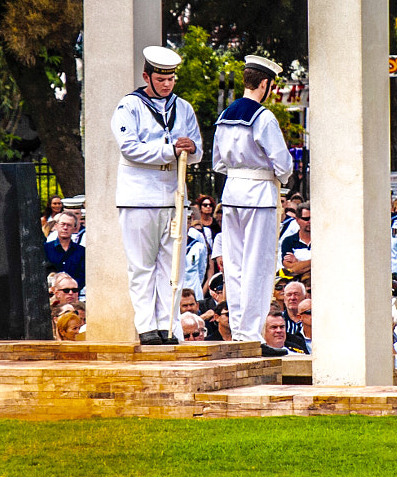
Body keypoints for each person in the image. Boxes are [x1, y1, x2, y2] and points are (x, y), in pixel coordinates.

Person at [114, 46, 203, 346]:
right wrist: (169, 150)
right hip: (139, 196)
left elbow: (198, 149)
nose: (167, 84)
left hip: (174, 194)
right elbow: (129, 147)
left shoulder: (184, 107)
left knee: (171, 266)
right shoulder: (130, 106)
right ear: (146, 76)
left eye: (171, 79)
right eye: (161, 79)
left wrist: (191, 149)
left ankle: (169, 326)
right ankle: (146, 326)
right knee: (141, 266)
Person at [212, 55, 293, 343]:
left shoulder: (224, 117)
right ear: (265, 83)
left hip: (232, 193)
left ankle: (238, 330)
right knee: (257, 267)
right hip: (259, 195)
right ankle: (250, 334)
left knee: (234, 266)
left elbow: (218, 162)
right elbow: (284, 164)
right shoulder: (263, 117)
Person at [43, 210, 86, 290]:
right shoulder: (45, 249)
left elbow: (83, 277)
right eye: (63, 224)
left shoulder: (82, 252)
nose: (65, 228)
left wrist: (70, 288)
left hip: (73, 295)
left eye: (69, 225)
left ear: (74, 228)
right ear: (56, 225)